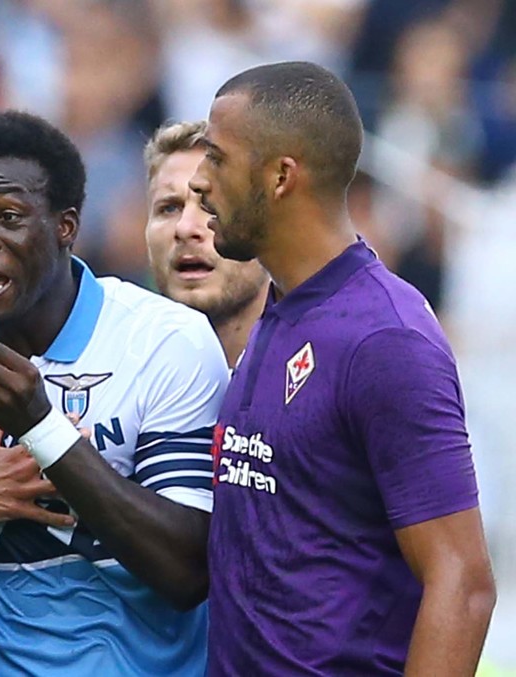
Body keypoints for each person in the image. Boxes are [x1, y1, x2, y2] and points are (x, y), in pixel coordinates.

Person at [188, 61, 496, 675]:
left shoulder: (385, 339)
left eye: (217, 158)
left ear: (281, 176)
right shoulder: (280, 310)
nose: (199, 181)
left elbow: (462, 582)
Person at [0, 110, 229, 675]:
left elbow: (188, 572)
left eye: (9, 217)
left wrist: (42, 427)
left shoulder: (165, 341)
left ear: (65, 226)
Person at [144, 120, 268, 367]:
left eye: (212, 205)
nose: (185, 228)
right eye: (169, 208)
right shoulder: (111, 370)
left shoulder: (330, 363)